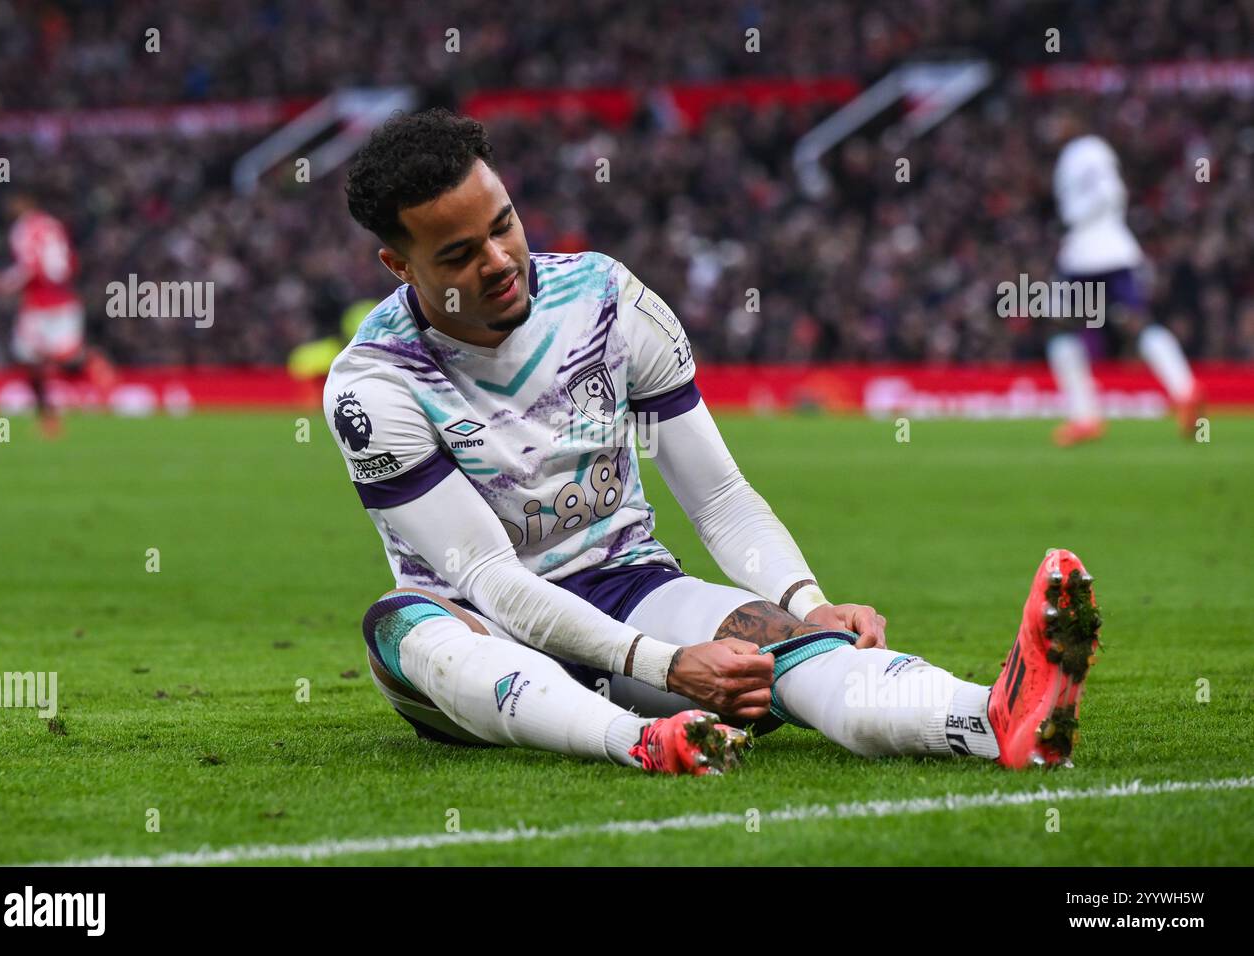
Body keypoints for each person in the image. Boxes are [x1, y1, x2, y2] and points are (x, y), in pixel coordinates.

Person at [325, 108, 1100, 775]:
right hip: (480, 629)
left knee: (791, 654)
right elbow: (491, 579)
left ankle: (995, 715)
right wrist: (666, 668)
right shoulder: (374, 386)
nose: (498, 262)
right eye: (459, 254)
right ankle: (639, 740)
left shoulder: (605, 301)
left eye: (504, 226)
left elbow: (721, 498)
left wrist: (809, 602)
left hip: (629, 588)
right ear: (399, 265)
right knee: (401, 628)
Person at [1046, 113, 1203, 445]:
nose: (1051, 129)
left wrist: (1075, 219)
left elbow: (1108, 193)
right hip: (1111, 248)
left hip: (1088, 250)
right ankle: (1185, 389)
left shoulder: (1081, 153)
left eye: (1057, 123)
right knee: (1135, 321)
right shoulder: (1090, 151)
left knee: (1065, 329)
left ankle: (1085, 417)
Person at [1, 193, 112, 437]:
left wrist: (7, 283)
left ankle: (50, 418)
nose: (10, 206)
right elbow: (70, 263)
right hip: (64, 299)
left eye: (14, 202)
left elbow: (30, 265)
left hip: (40, 303)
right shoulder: (53, 224)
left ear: (26, 203)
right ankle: (89, 366)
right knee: (56, 360)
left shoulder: (23, 228)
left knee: (33, 361)